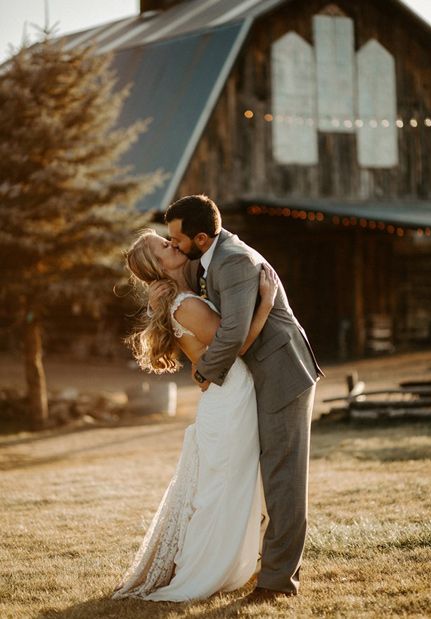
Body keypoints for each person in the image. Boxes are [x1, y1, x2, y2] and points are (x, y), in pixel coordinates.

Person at [148, 194, 325, 599]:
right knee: (257, 477)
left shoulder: (235, 260)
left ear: (202, 238)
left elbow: (232, 334)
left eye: (177, 240)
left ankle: (279, 582)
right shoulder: (204, 260)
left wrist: (203, 373)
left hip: (282, 374)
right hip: (250, 380)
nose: (173, 245)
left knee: (283, 479)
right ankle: (247, 562)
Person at [111, 227, 278, 602]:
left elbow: (208, 358)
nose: (173, 244)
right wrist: (266, 305)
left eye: (169, 240)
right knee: (224, 487)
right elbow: (233, 346)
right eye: (164, 246)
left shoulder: (185, 297)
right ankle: (205, 569)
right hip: (231, 396)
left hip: (228, 394)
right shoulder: (185, 304)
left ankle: (235, 560)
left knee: (230, 484)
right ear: (157, 265)